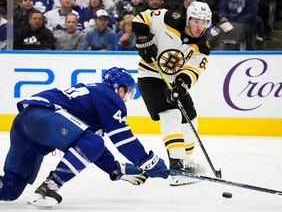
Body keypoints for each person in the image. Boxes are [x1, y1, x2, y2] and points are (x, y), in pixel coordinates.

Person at [0, 67, 169, 207]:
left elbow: (93, 149)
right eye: (127, 94)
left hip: (25, 123)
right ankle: (49, 188)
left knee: (10, 189)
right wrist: (147, 161)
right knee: (93, 141)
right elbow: (122, 138)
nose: (125, 100)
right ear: (120, 89)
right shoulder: (110, 97)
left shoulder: (93, 100)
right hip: (44, 116)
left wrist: (115, 169)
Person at [132, 1, 211, 186]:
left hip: (174, 81)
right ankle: (177, 168)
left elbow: (193, 70)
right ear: (188, 19)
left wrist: (182, 86)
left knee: (191, 120)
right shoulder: (169, 19)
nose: (199, 27)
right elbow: (140, 18)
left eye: (204, 22)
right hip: (150, 76)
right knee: (171, 115)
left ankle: (185, 162)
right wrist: (143, 37)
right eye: (196, 21)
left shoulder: (203, 45)